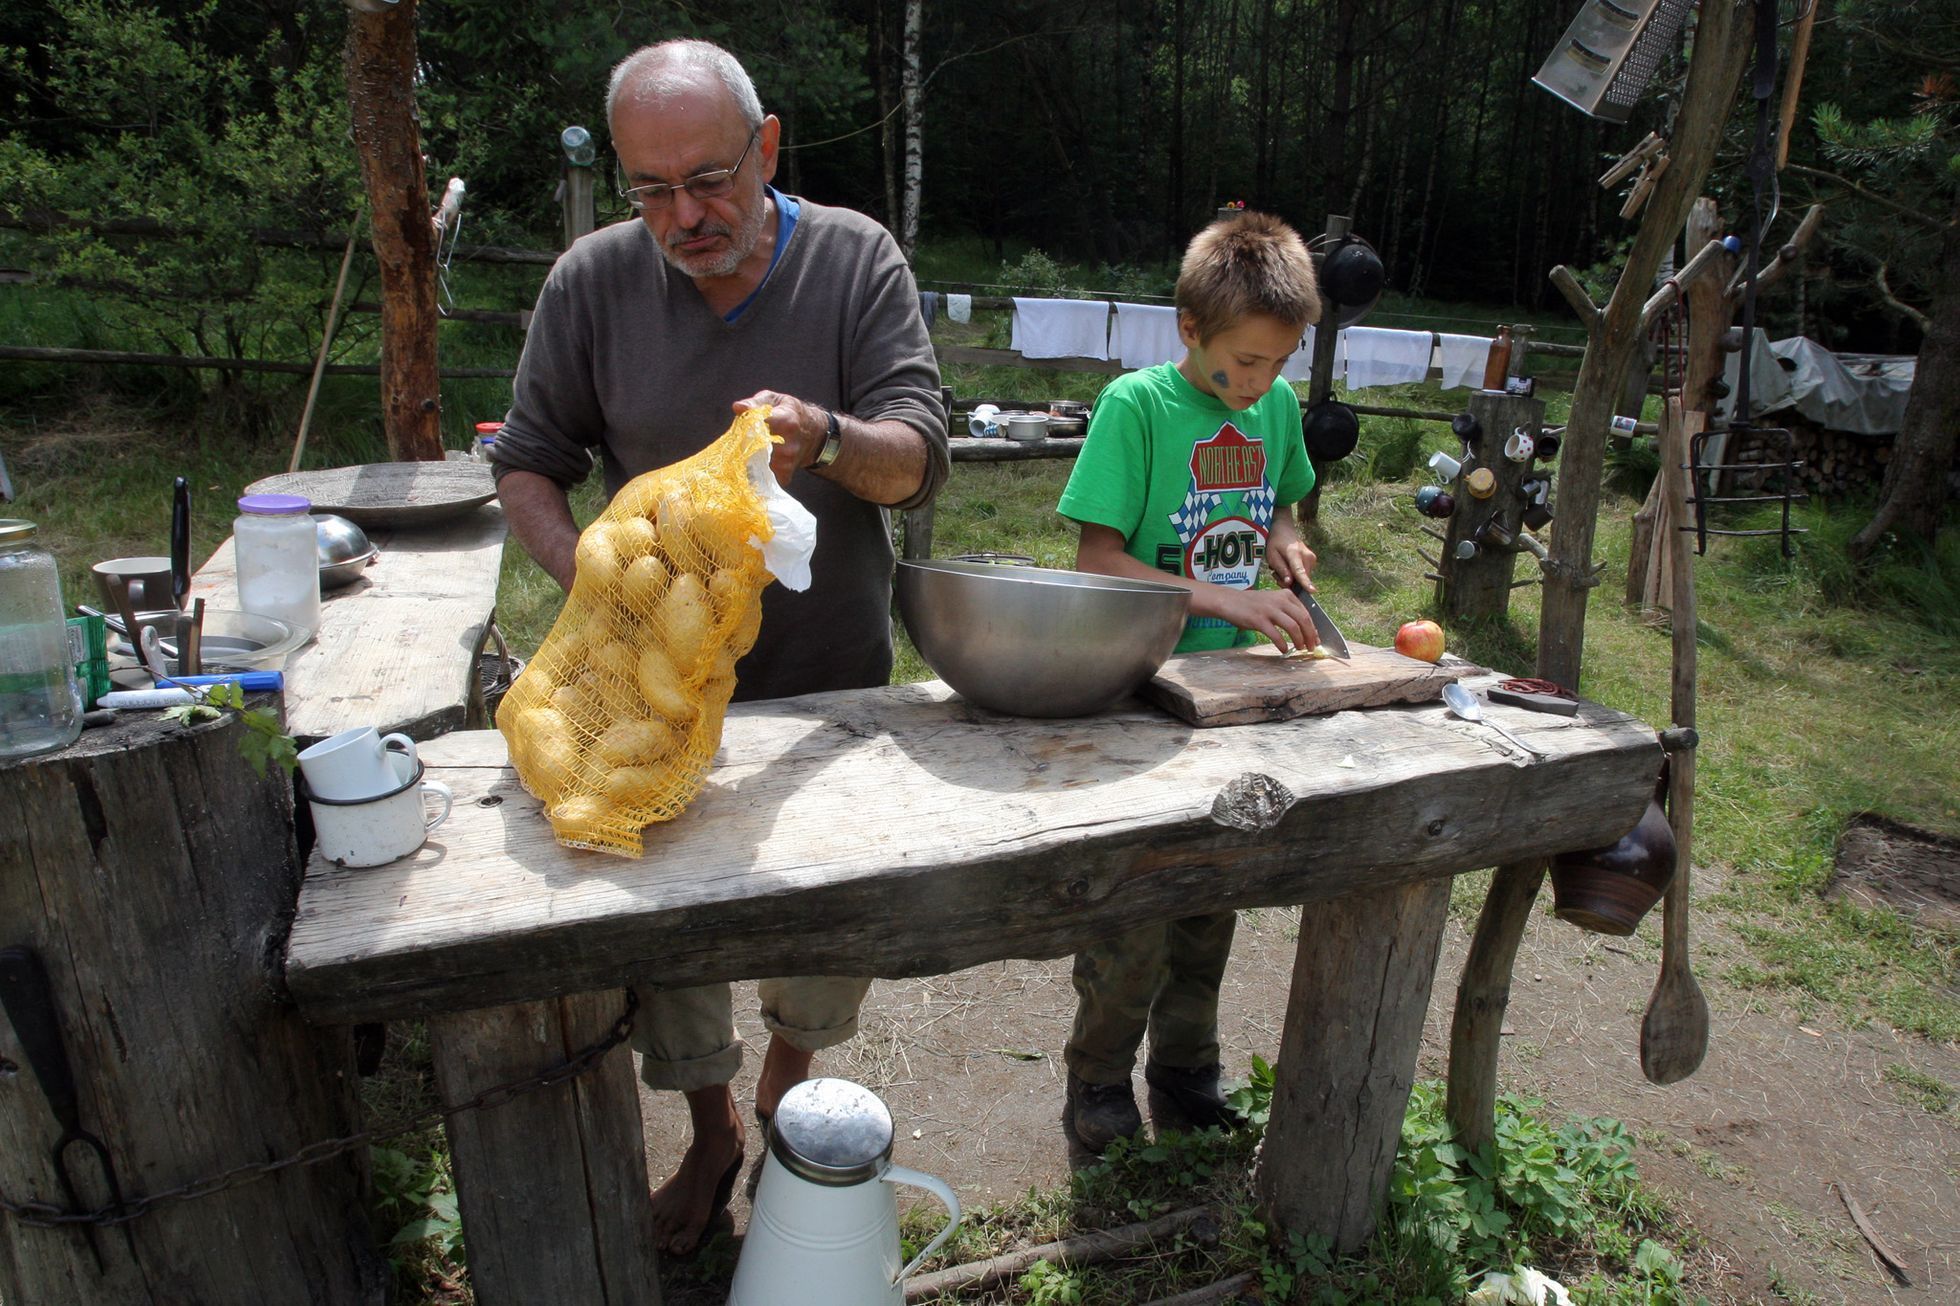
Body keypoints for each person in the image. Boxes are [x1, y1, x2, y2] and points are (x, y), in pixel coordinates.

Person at [488, 38, 949, 1253]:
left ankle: (783, 1094)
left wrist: (826, 435)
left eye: (709, 180)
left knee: (820, 930)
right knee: (667, 944)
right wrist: (597, 576)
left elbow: (914, 458)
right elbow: (528, 460)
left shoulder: (854, 261)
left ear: (769, 148)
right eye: (651, 190)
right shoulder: (590, 284)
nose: (683, 216)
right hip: (653, 700)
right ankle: (709, 1126)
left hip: (826, 693)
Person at [1053, 210, 1321, 1152]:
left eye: (1275, 366)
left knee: (1214, 897)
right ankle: (1096, 1078)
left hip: (1234, 696)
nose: (1256, 385)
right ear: (1189, 330)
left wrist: (1286, 538)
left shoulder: (1275, 409)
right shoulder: (1138, 407)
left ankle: (1185, 1068)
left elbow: (1284, 495)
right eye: (1240, 365)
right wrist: (1223, 597)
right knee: (1136, 907)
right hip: (1140, 685)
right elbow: (1096, 562)